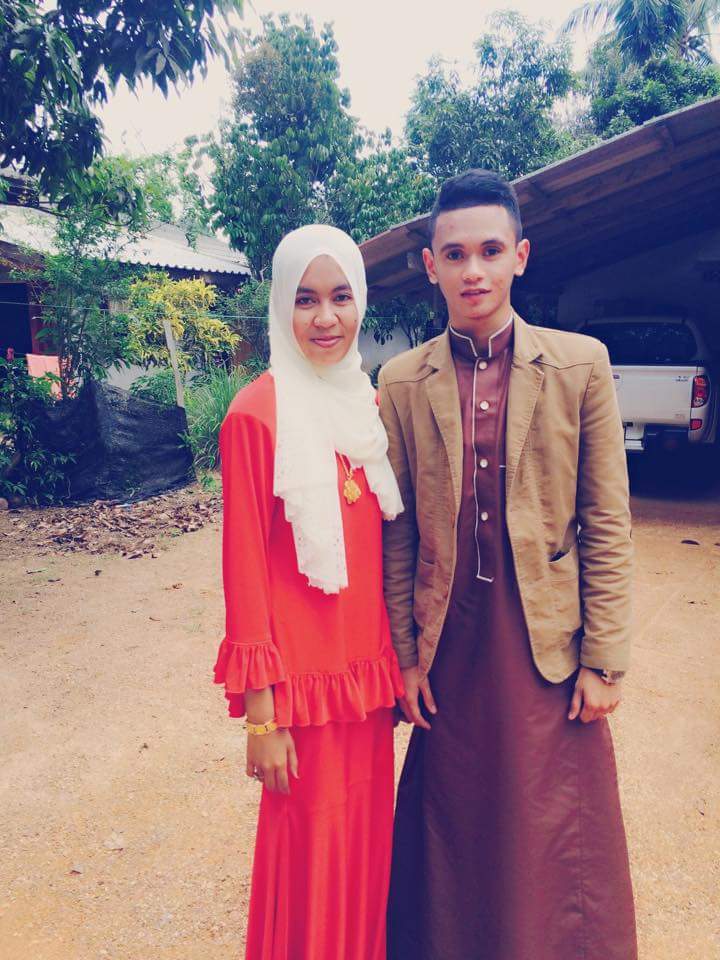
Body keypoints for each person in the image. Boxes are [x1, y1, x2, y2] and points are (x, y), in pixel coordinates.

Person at [379, 170, 637, 960]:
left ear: (520, 255)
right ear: (431, 265)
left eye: (491, 250)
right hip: (450, 644)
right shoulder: (400, 381)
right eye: (455, 254)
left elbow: (606, 520)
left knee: (552, 825)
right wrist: (404, 657)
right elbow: (398, 532)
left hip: (545, 645)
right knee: (455, 822)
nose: (475, 271)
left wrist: (604, 659)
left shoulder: (579, 365)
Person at [213, 224, 405, 960]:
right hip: (300, 694)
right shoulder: (256, 414)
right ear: (280, 307)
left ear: (362, 303)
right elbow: (244, 573)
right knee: (306, 862)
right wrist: (262, 721)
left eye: (341, 297)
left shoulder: (365, 407)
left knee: (364, 853)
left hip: (364, 688)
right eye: (305, 299)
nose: (326, 318)